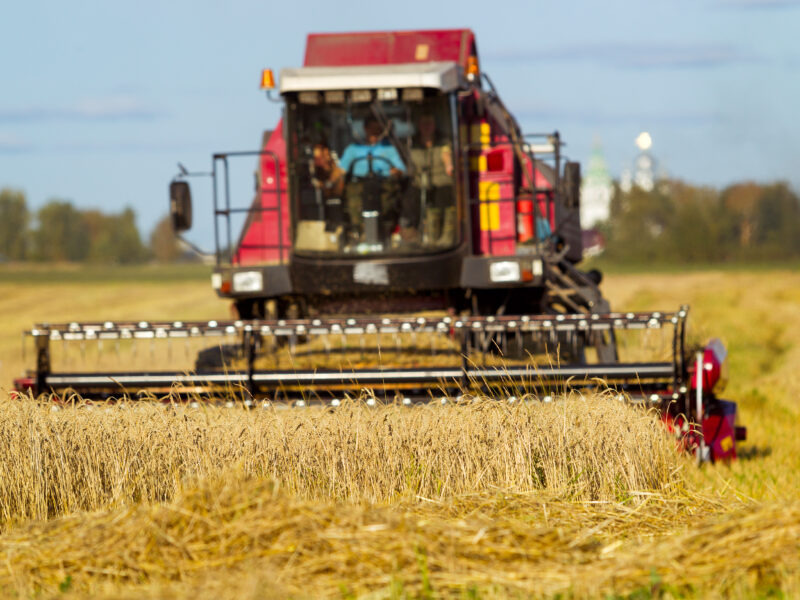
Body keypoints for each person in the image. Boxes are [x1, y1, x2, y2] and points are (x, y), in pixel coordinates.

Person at [339, 116, 406, 242]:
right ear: (365, 128)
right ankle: (359, 231)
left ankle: (385, 232)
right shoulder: (353, 149)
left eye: (378, 129)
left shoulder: (389, 148)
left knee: (388, 204)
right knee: (354, 203)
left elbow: (402, 169)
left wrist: (396, 171)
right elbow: (341, 170)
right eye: (372, 128)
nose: (375, 132)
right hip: (359, 186)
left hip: (383, 185)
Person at [409, 113, 456, 247]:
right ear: (418, 126)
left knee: (445, 197)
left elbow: (447, 156)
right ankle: (426, 238)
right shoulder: (412, 144)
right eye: (424, 123)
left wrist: (449, 164)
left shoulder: (443, 143)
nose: (427, 127)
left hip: (442, 182)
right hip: (420, 184)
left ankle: (446, 239)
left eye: (430, 123)